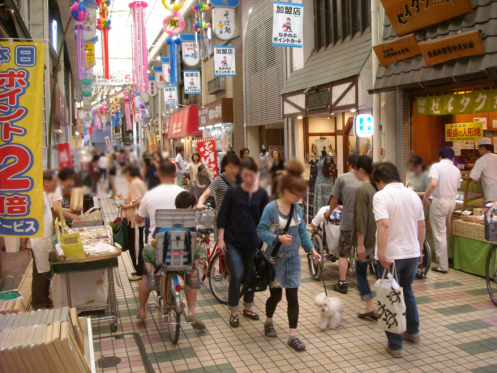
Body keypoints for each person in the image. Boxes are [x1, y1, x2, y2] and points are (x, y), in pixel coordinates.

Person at [257, 161, 321, 351]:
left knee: (293, 296)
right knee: (276, 296)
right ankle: (268, 321)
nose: (300, 197)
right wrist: (277, 237)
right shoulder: (271, 209)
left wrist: (312, 251)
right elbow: (260, 231)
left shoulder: (297, 208)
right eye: (297, 193)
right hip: (274, 258)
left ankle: (293, 336)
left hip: (293, 258)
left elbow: (302, 233)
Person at [372, 162, 425, 358]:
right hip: (411, 253)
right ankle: (412, 330)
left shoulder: (381, 196)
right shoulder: (413, 194)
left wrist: (383, 254)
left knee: (389, 295)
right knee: (407, 290)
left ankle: (395, 345)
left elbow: (384, 225)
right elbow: (421, 225)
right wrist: (419, 250)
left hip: (391, 255)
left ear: (380, 180)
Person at [136, 191, 206, 330]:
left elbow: (154, 244)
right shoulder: (191, 222)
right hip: (184, 261)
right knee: (196, 253)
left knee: (145, 251)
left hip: (164, 261)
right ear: (190, 206)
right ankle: (192, 308)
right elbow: (195, 244)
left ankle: (143, 306)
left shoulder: (164, 219)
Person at [217, 157, 269, 327]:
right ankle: (233, 311)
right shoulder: (233, 192)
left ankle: (248, 307)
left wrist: (266, 239)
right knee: (237, 275)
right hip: (232, 240)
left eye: (251, 175)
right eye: (245, 175)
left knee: (251, 274)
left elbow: (264, 219)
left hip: (253, 241)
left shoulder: (261, 193)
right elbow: (223, 215)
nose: (248, 178)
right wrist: (220, 238)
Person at [324, 153, 362, 293]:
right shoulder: (365, 179)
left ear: (348, 163)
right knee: (361, 251)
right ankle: (361, 281)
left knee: (343, 253)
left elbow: (334, 200)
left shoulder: (342, 178)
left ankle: (342, 282)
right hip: (363, 223)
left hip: (347, 222)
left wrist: (329, 213)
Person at [423, 147, 461, 274]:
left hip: (440, 201)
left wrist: (426, 196)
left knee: (439, 233)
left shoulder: (436, 166)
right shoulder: (456, 169)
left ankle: (442, 265)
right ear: (452, 158)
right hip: (452, 201)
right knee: (447, 229)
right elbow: (458, 186)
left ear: (440, 156)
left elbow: (433, 184)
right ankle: (448, 256)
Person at [351, 156, 377, 319]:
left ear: (361, 170)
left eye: (354, 169)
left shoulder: (362, 190)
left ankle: (368, 306)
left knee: (360, 271)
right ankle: (382, 306)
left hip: (366, 241)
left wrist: (360, 243)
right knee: (381, 275)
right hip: (379, 238)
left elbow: (361, 218)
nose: (354, 173)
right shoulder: (377, 188)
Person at [31, 170, 58, 310]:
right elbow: (32, 218)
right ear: (46, 182)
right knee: (40, 274)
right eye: (54, 181)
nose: (56, 184)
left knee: (46, 273)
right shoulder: (39, 197)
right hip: (39, 241)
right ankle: (38, 304)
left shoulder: (46, 196)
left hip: (46, 239)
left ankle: (45, 300)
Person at [120, 164, 147, 281]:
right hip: (135, 220)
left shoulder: (135, 183)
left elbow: (139, 200)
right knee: (137, 245)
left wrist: (126, 205)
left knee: (135, 246)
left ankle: (140, 271)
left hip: (134, 221)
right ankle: (139, 269)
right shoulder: (138, 182)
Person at [470, 138, 497, 203]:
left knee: (491, 212)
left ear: (483, 147)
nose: (478, 149)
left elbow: (475, 179)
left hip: (491, 194)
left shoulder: (481, 161)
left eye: (479, 147)